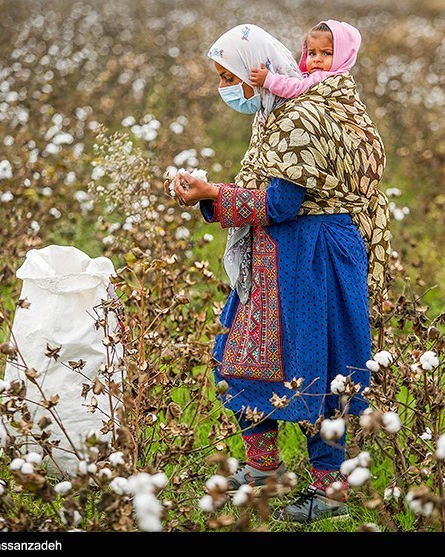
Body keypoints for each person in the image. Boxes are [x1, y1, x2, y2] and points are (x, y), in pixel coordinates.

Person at [164, 23, 389, 524]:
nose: (228, 87)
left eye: (230, 76)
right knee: (242, 361)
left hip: (313, 257)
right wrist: (209, 193)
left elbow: (284, 202)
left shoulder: (302, 117)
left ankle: (331, 494)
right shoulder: (275, 112)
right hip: (279, 255)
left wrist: (210, 194)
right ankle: (264, 471)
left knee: (315, 372)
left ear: (253, 69)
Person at [249, 20, 361, 100]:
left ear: (342, 57)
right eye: (312, 53)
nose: (317, 59)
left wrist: (269, 80)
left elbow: (297, 89)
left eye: (326, 53)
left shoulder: (325, 78)